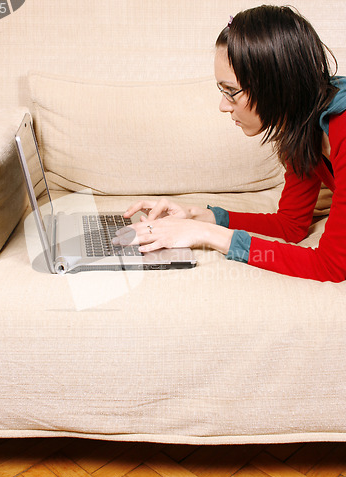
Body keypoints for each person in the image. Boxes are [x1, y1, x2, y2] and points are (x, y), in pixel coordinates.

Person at [112, 5, 346, 282]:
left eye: (231, 91)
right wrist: (204, 217)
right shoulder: (301, 123)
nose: (223, 105)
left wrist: (210, 236)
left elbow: (330, 266)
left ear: (278, 84)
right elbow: (291, 226)